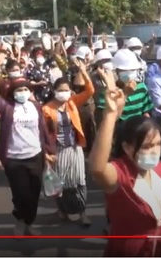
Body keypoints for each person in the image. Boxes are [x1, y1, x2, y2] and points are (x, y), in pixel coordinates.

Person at [89, 85, 161, 257]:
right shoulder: (120, 174)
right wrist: (110, 116)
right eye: (147, 146)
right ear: (127, 148)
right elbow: (97, 169)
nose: (154, 151)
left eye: (157, 144)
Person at [0, 57, 55, 236]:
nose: (22, 92)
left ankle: (29, 222)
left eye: (25, 89)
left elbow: (43, 131)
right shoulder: (7, 107)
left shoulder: (36, 107)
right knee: (20, 193)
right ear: (13, 93)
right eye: (19, 90)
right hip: (14, 158)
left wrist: (47, 152)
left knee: (34, 193)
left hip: (36, 156)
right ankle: (20, 222)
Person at [42, 58, 95, 225]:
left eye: (66, 90)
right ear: (54, 90)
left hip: (74, 147)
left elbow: (90, 90)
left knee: (79, 180)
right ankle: (62, 211)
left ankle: (82, 213)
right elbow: (43, 134)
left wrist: (84, 71)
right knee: (60, 183)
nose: (63, 93)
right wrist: (46, 154)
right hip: (57, 149)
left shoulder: (72, 102)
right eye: (60, 90)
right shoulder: (47, 108)